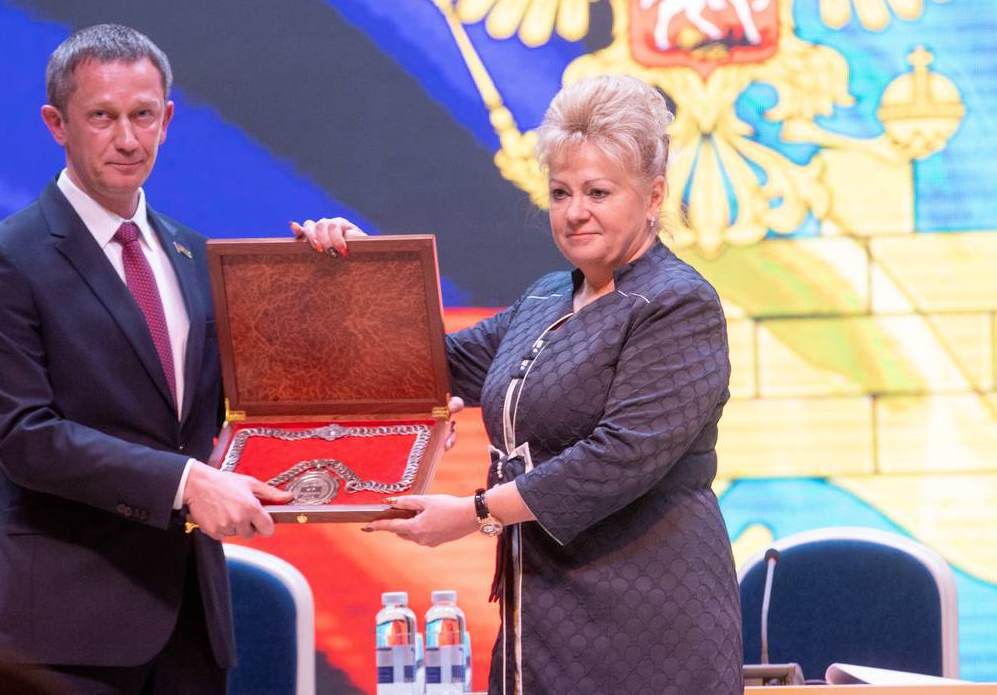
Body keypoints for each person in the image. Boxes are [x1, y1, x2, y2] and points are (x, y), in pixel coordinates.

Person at [294, 74, 742, 694]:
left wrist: (475, 512)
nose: (575, 211)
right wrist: (364, 275)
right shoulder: (545, 299)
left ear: (654, 195)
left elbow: (618, 457)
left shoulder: (678, 303)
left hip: (647, 620)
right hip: (539, 612)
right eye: (560, 192)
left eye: (598, 192)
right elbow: (425, 366)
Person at [0, 24, 291, 694]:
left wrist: (335, 275)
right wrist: (187, 483)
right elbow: (25, 437)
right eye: (102, 117)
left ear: (168, 119)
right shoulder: (1, 261)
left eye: (143, 115)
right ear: (57, 124)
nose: (128, 139)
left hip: (192, 630)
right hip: (61, 638)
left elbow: (255, 406)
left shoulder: (197, 256)